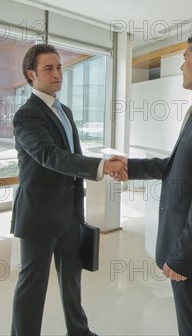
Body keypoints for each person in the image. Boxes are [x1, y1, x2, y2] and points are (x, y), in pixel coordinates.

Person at [111, 33, 192, 335]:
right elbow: (178, 167)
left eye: (185, 58)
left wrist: (184, 255)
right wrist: (129, 167)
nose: (182, 66)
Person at [10, 44, 126, 336]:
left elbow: (72, 154)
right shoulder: (26, 116)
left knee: (72, 280)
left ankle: (79, 331)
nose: (57, 73)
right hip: (39, 214)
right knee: (33, 283)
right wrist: (101, 166)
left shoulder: (65, 110)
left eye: (59, 67)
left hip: (71, 212)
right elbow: (51, 156)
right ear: (30, 74)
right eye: (48, 68)